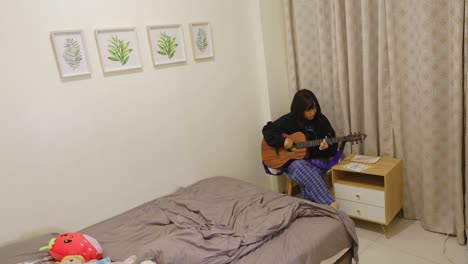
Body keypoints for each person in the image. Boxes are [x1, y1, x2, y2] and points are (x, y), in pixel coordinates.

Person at [262, 89, 340, 209]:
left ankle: (307, 208)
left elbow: (333, 145)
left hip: (317, 160)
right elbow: (267, 129)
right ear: (299, 110)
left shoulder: (321, 120)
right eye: (308, 110)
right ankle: (330, 203)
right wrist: (283, 141)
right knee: (299, 166)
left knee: (309, 174)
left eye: (314, 108)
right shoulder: (289, 120)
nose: (312, 113)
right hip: (293, 162)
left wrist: (325, 148)